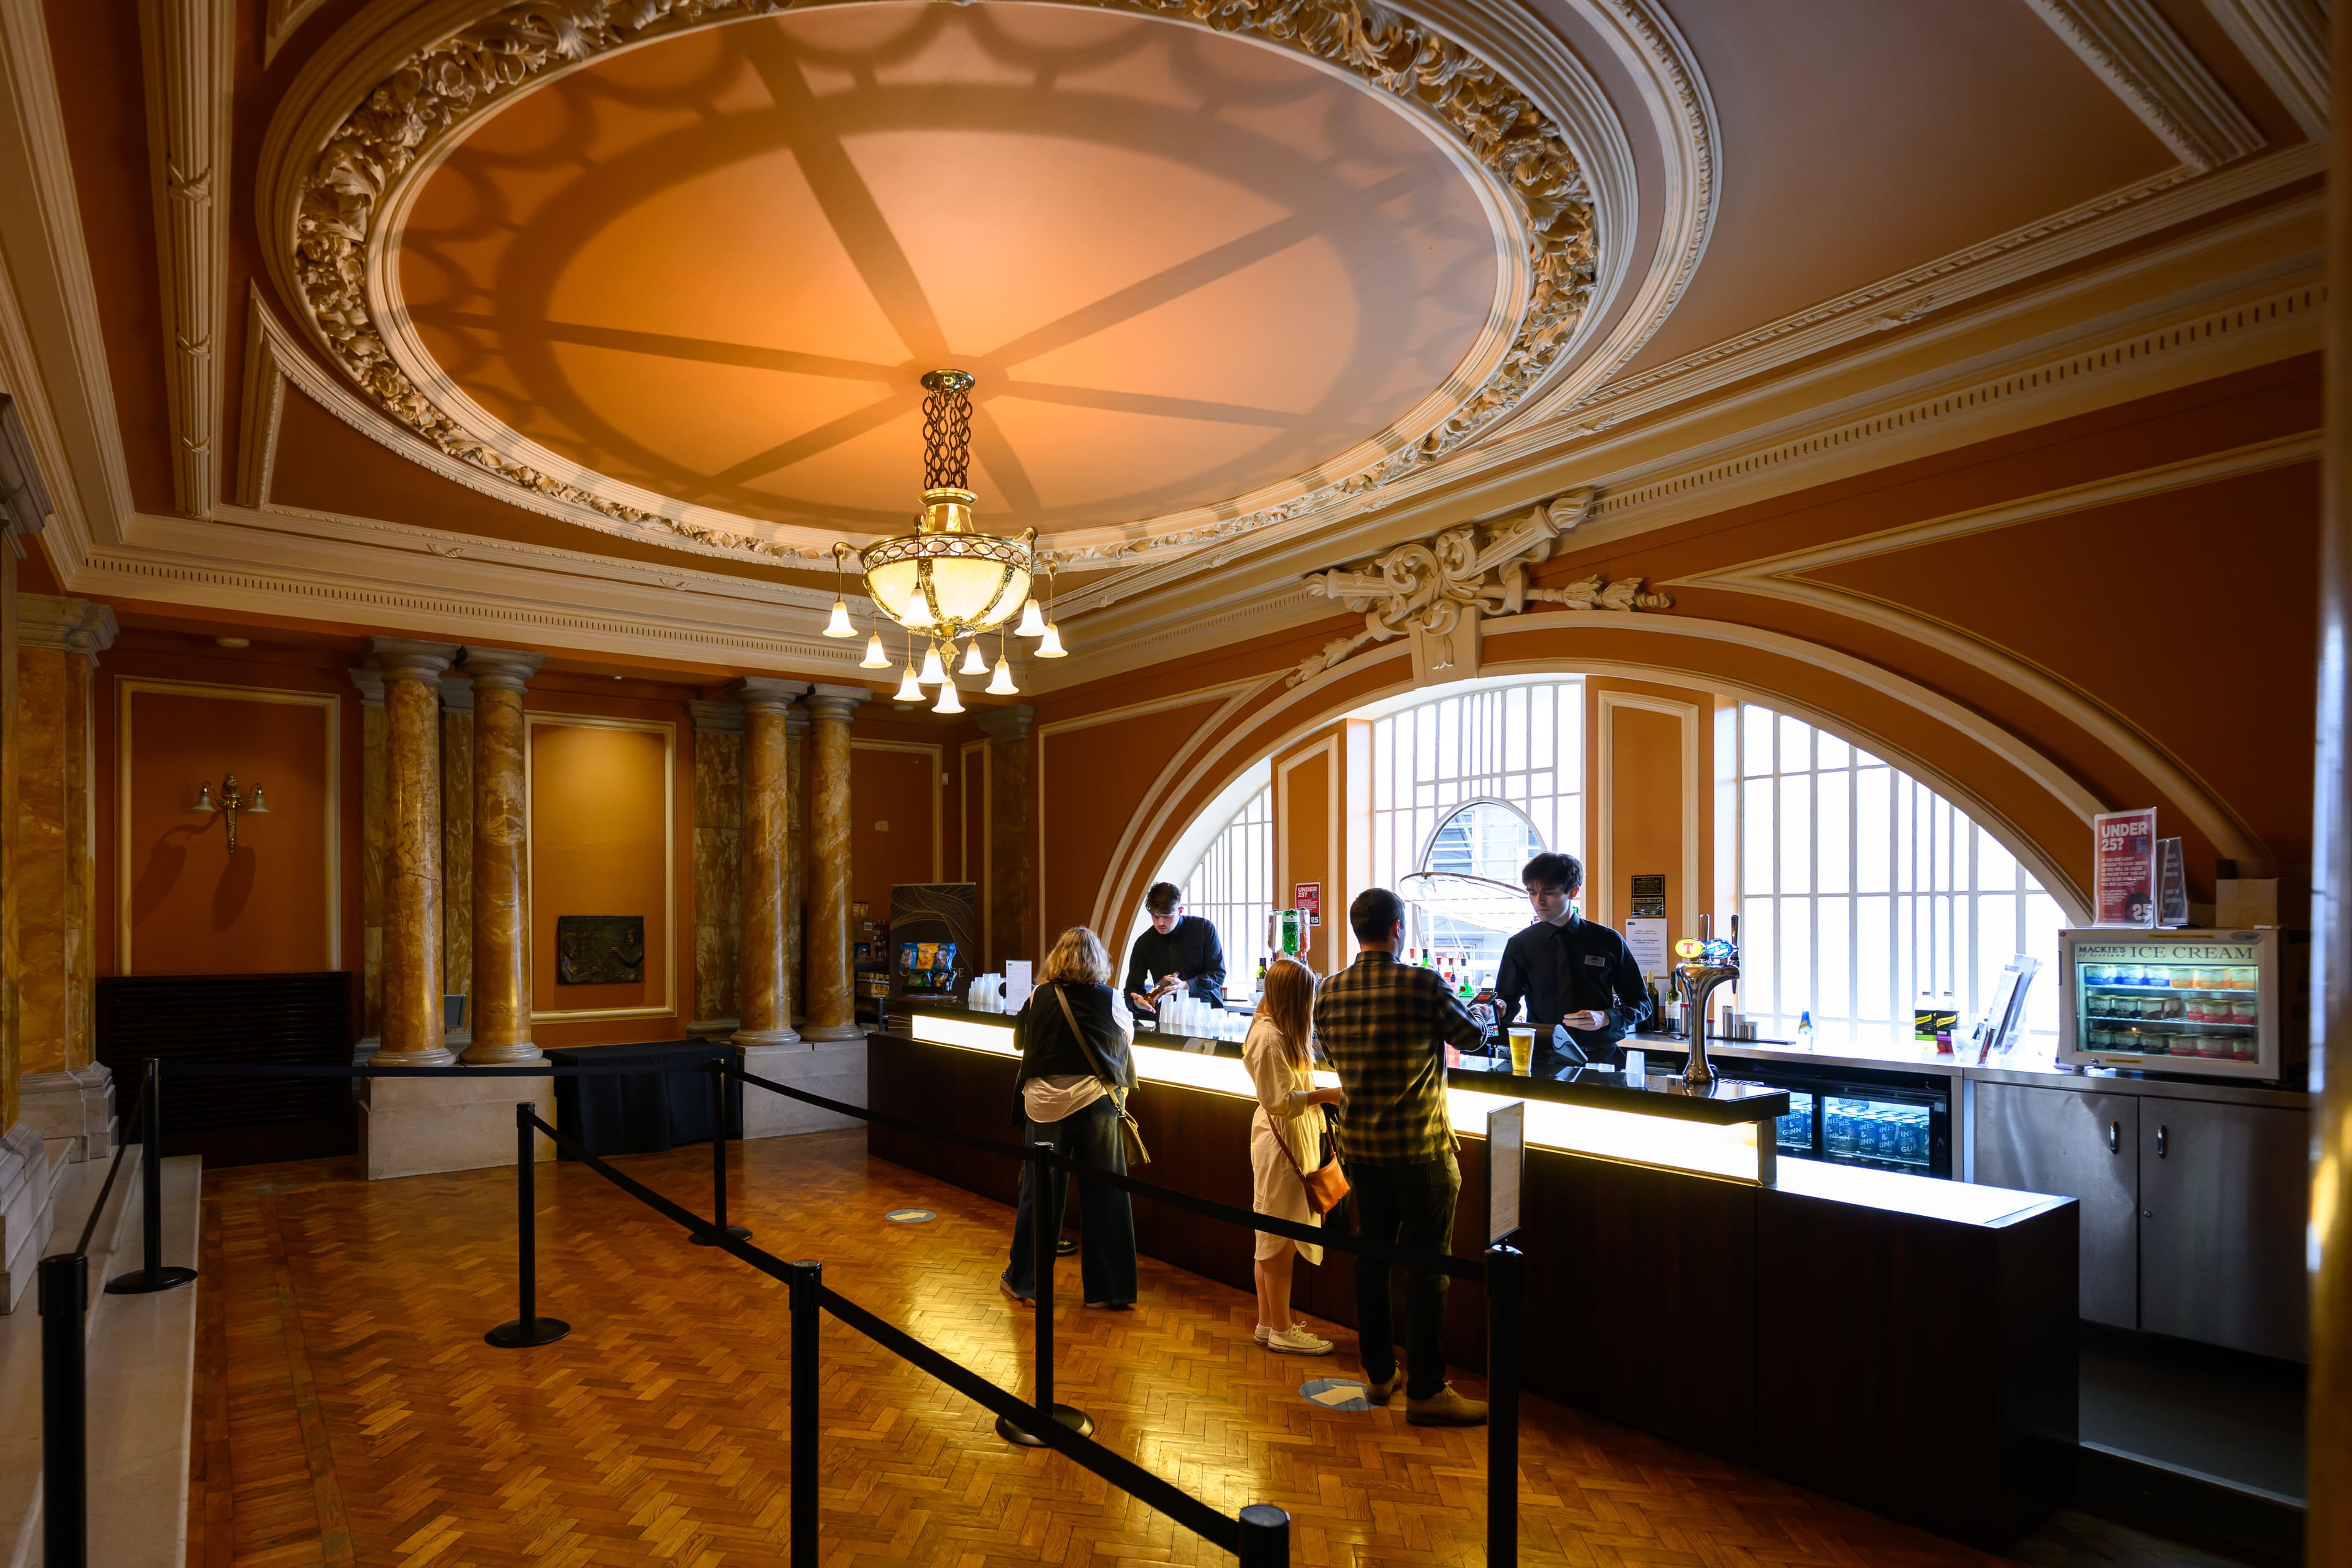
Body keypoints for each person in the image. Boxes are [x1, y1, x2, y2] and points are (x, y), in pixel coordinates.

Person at [1313, 887, 1489, 1425]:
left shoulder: (1329, 991)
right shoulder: (1422, 982)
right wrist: (1486, 1007)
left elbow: (1324, 1052)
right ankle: (1428, 1389)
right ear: (1397, 929)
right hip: (1420, 1147)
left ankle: (1379, 1375)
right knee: (1427, 1265)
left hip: (1360, 1147)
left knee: (1371, 1258)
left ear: (1356, 930)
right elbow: (1475, 1038)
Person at [1001, 926, 1138, 1311]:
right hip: (1095, 1102)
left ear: (1056, 959)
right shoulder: (1111, 998)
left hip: (1044, 1106)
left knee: (1039, 1195)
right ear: (1099, 961)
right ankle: (1110, 1290)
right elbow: (1126, 1041)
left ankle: (1025, 1283)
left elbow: (1020, 1041)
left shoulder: (1038, 995)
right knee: (1106, 1194)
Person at [1245, 955, 1346, 1355]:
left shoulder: (1271, 1030)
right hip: (1281, 1143)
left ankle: (1268, 1322)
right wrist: (1328, 1095)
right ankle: (1282, 1329)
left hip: (1281, 1140)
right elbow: (1279, 1100)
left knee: (1270, 1234)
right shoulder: (1271, 1038)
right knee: (1280, 1238)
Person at [1494, 851, 1652, 1062]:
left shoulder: (1608, 940)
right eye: (1532, 892)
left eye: (1549, 892)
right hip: (1543, 1057)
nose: (1539, 901)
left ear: (1573, 892)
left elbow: (1642, 1003)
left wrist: (1606, 1018)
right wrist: (1500, 1009)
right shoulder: (1520, 944)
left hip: (1601, 1057)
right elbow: (1507, 1001)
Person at [1123, 881, 1227, 1014]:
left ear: (1180, 910)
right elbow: (1133, 986)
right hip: (1167, 1015)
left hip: (1207, 1011)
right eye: (1155, 916)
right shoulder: (1144, 942)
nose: (1160, 922)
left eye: (1167, 917)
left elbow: (1218, 974)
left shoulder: (1204, 929)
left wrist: (1185, 985)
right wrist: (1137, 1002)